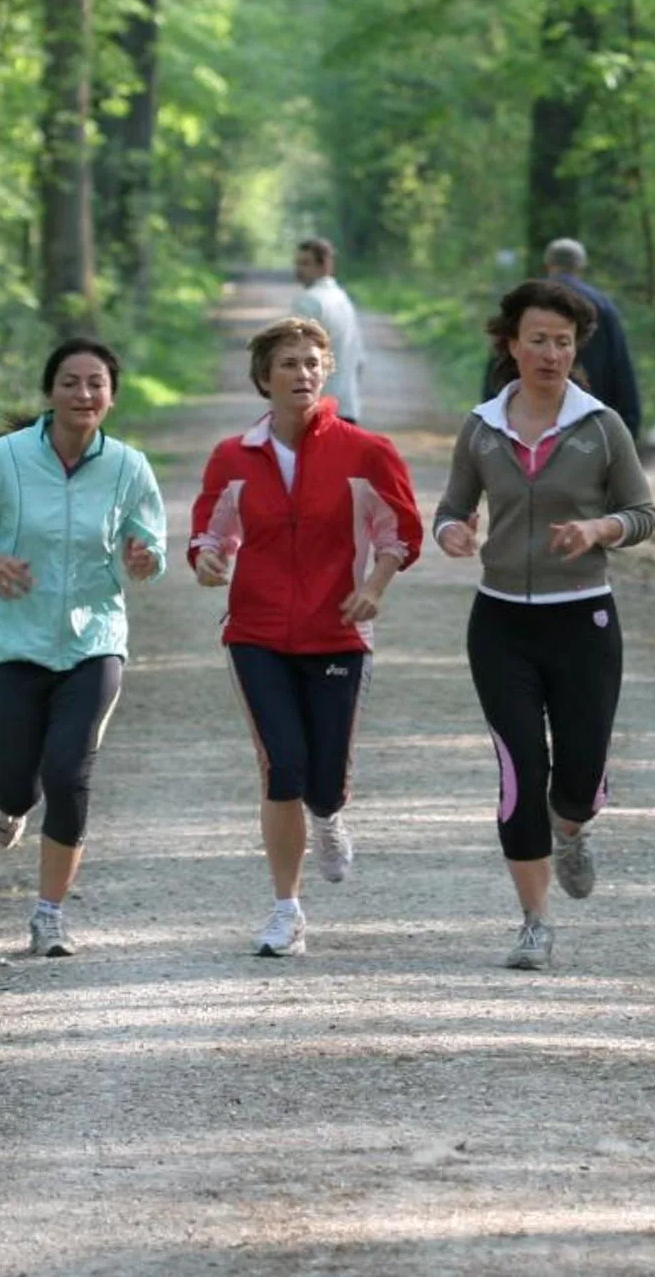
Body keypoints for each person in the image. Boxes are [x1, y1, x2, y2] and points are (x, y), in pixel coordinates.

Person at [435, 279, 655, 970]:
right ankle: (534, 922)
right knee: (518, 769)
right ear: (512, 344)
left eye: (563, 342)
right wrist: (450, 532)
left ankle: (576, 825)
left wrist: (598, 527)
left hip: (583, 620)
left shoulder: (601, 426)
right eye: (538, 339)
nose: (551, 353)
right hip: (500, 622)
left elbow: (645, 514)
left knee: (580, 776)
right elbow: (450, 507)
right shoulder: (482, 427)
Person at [190, 316, 423, 958]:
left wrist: (374, 585)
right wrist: (208, 560)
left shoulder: (365, 452)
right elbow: (211, 532)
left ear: (327, 372)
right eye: (288, 363)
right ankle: (286, 911)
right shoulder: (233, 457)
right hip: (256, 632)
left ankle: (330, 815)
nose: (303, 373)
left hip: (338, 634)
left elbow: (400, 532)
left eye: (313, 362)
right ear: (264, 379)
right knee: (281, 769)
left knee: (324, 781)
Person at [0, 336, 168, 958]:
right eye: (71, 382)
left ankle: (49, 915)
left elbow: (152, 551)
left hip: (94, 640)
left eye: (96, 383)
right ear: (51, 391)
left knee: (68, 773)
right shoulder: (2, 460)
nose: (83, 394)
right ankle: (8, 803)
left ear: (112, 397)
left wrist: (143, 558)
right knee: (17, 782)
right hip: (14, 640)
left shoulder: (128, 467)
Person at [540, 238, 642, 437]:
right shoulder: (602, 306)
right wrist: (630, 424)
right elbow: (620, 367)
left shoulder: (526, 303)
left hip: (530, 424)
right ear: (580, 267)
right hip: (589, 426)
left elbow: (500, 361)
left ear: (548, 265)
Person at [290, 237, 366, 424]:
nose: (298, 270)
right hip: (347, 406)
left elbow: (296, 353)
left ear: (324, 265)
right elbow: (360, 359)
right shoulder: (343, 299)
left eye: (305, 263)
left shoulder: (309, 301)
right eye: (297, 263)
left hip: (318, 410)